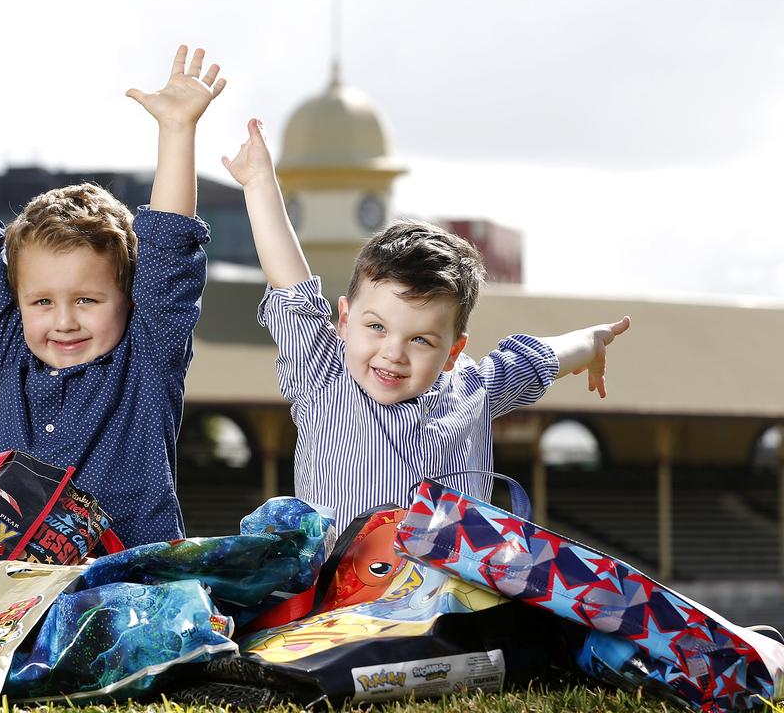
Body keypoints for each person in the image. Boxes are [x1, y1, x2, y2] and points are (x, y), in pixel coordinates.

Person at [0, 46, 225, 547]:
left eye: (87, 300)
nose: (63, 321)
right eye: (41, 302)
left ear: (129, 297)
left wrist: (177, 130)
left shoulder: (148, 355)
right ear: (17, 302)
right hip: (21, 591)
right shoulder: (12, 352)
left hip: (134, 588)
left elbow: (170, 247)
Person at [222, 118, 631, 530]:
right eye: (377, 327)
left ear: (453, 351)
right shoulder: (324, 374)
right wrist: (258, 181)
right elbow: (291, 285)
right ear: (344, 321)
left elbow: (538, 359)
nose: (393, 352)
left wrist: (590, 342)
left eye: (420, 339)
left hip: (446, 592)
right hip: (343, 590)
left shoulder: (473, 388)